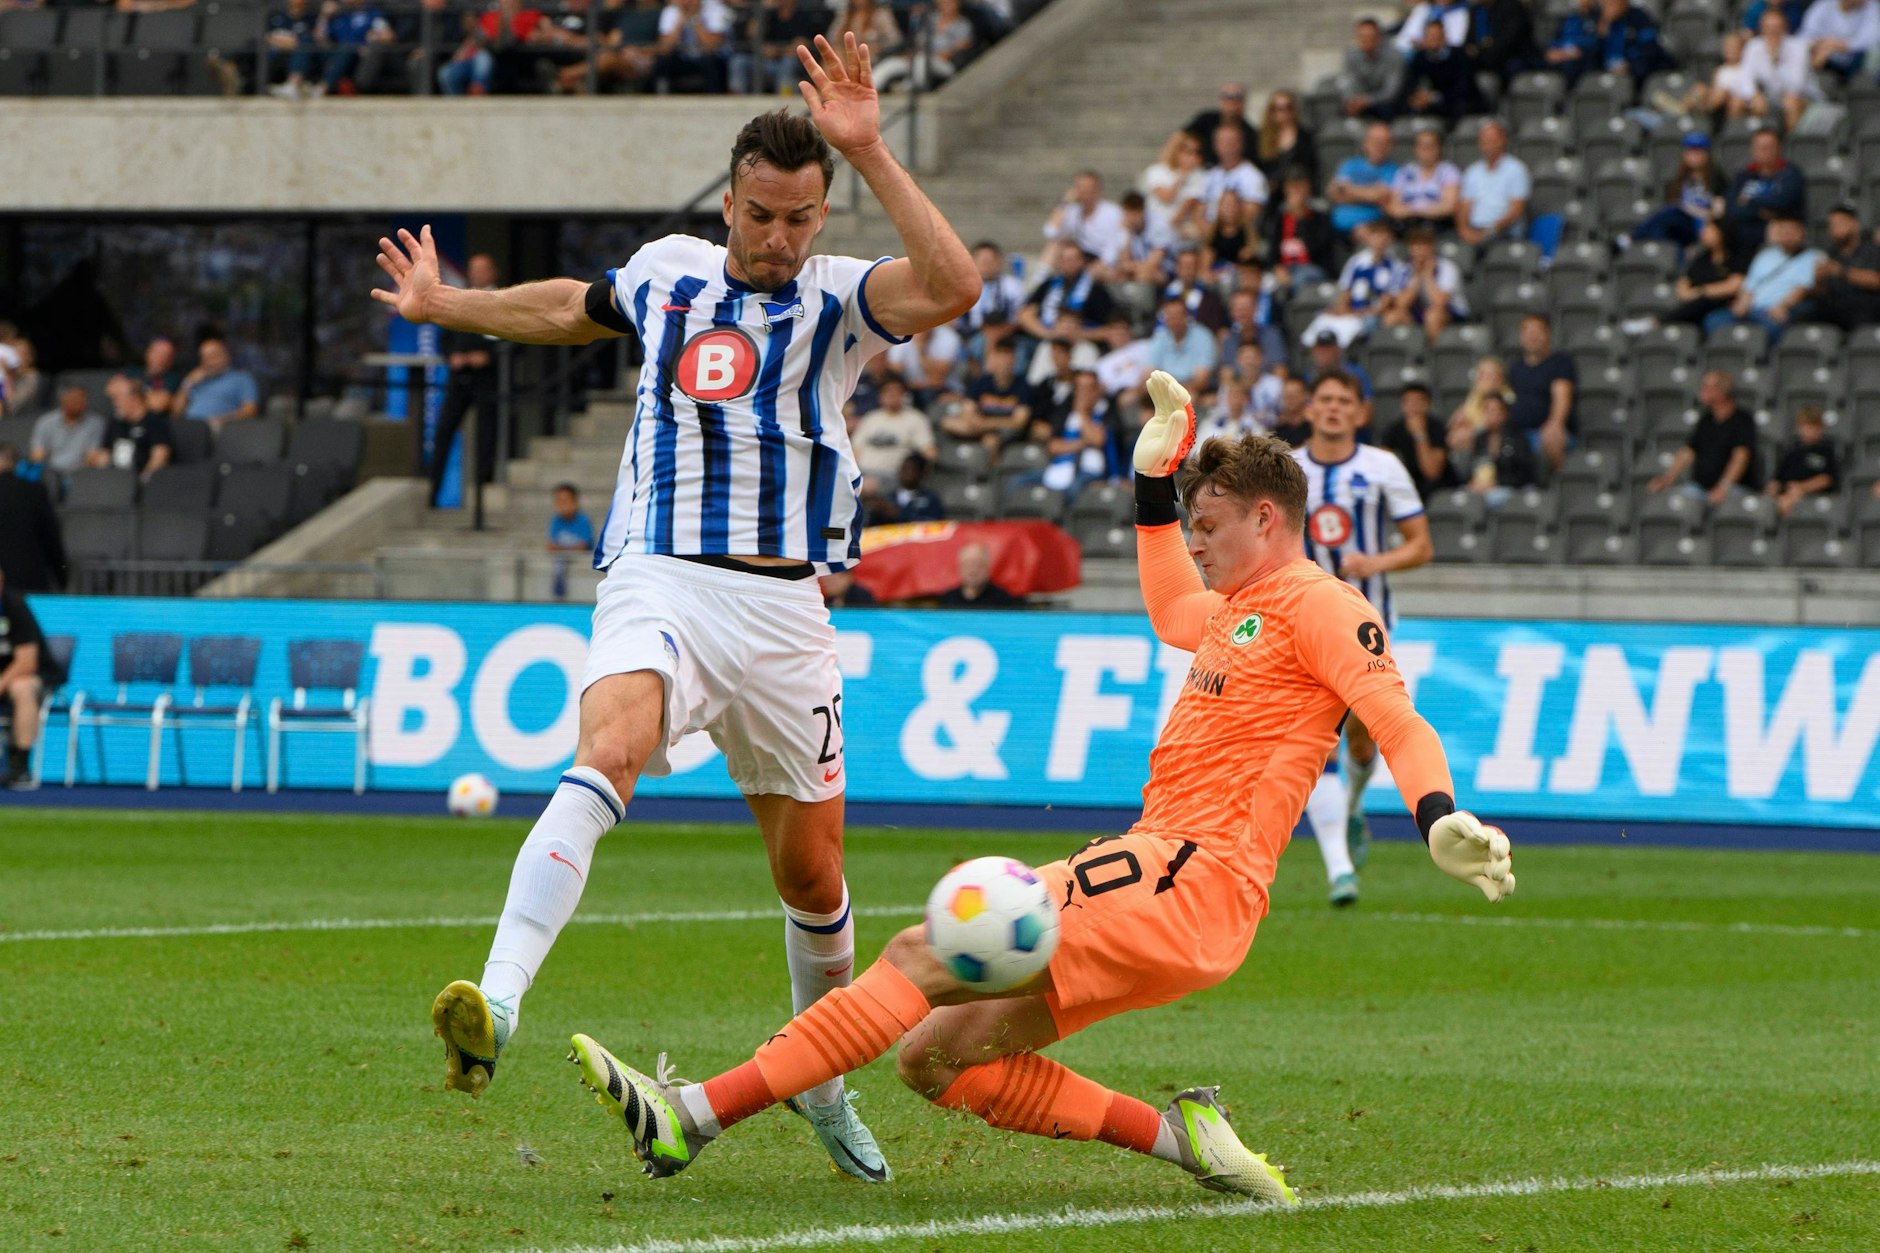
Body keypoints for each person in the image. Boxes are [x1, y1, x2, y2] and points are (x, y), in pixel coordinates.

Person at [560, 374, 1512, 1196]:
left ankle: (693, 1114)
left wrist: (1437, 815)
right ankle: (1183, 1137)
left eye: (1209, 524)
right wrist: (1149, 481)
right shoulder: (1238, 609)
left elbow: (1397, 719)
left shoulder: (1324, 605)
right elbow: (1173, 603)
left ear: (1269, 518)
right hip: (1173, 886)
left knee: (922, 947)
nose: (1198, 542)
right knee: (932, 1057)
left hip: (1192, 874)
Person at [376, 36, 981, 1184]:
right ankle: (495, 1001)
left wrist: (872, 148)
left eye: (802, 218)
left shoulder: (843, 299)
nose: (780, 239)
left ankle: (823, 1078)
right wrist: (444, 302)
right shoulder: (666, 273)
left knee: (811, 878)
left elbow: (953, 287)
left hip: (786, 606)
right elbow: (571, 307)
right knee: (613, 740)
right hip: (657, 570)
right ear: (730, 201)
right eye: (762, 215)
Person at [1291, 369, 1433, 902]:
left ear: (1359, 412)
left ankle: (1349, 809)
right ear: (1309, 409)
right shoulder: (1288, 469)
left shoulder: (1382, 468)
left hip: (1369, 627)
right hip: (1299, 625)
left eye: (1342, 401)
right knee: (1311, 740)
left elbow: (1421, 545)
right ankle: (1338, 869)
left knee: (1360, 737)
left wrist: (1376, 559)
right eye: (1323, 399)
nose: (1332, 408)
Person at [428, 254, 503, 509]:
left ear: (494, 273)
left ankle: (482, 494)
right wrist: (452, 357)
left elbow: (517, 341)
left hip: (489, 381)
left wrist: (489, 357)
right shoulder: (458, 300)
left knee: (487, 434)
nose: (478, 275)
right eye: (474, 270)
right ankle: (431, 493)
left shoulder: (505, 300)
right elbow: (445, 337)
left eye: (483, 270)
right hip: (458, 379)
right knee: (444, 431)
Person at [1704, 214, 1821, 342]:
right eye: (1784, 230)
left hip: (1777, 311)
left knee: (1769, 329)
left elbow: (1803, 288)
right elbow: (1750, 286)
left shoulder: (1815, 258)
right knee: (1713, 321)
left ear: (1803, 233)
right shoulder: (1764, 255)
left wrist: (1783, 306)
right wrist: (1743, 303)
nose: (1788, 234)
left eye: (1793, 230)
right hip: (1751, 309)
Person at [1649, 369, 1759, 504]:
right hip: (1701, 488)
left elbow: (1741, 456)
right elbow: (1688, 452)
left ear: (1722, 391)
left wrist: (1724, 487)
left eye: (1707, 387)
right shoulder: (1706, 420)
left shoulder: (1742, 420)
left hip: (1734, 488)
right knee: (1676, 500)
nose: (1702, 391)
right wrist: (1667, 479)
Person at [1300, 218, 1409, 350]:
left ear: (1390, 240)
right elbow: (1345, 292)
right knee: (1324, 318)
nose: (1380, 242)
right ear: (1369, 238)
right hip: (1352, 311)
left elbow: (1386, 302)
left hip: (1371, 315)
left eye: (1385, 238)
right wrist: (1342, 309)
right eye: (1377, 237)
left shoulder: (1396, 267)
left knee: (1363, 325)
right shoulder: (1355, 262)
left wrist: (1361, 313)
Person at [1628, 133, 1725, 252]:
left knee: (1671, 212)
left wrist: (1692, 210)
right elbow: (1670, 202)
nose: (1694, 156)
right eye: (1690, 152)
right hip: (1680, 226)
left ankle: (1630, 239)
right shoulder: (1679, 180)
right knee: (1660, 231)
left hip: (1702, 226)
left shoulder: (1718, 179)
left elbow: (1719, 212)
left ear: (1707, 154)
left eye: (1698, 152)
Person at [1792, 202, 1880, 332]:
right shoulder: (1830, 253)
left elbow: (1876, 281)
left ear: (1855, 224)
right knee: (1803, 315)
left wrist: (1841, 271)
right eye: (1832, 224)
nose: (1835, 228)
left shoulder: (1872, 250)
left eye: (1841, 223)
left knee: (1863, 315)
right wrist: (1818, 279)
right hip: (1836, 304)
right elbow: (1823, 291)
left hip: (1866, 303)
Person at [1721, 128, 1804, 264]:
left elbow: (1782, 203)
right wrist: (1761, 211)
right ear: (1752, 149)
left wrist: (1748, 201)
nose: (1764, 151)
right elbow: (1731, 207)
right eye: (1760, 147)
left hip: (1781, 232)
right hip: (1747, 231)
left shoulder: (1790, 174)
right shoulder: (1744, 175)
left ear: (1779, 149)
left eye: (1769, 147)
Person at [0, 562, 49, 790]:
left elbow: (26, 662)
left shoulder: (14, 606)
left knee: (22, 687)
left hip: (28, 676)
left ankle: (20, 768)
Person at [1546, 0, 1671, 88]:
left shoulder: (1639, 17)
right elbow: (1590, 54)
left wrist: (1630, 67)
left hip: (1633, 76)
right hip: (1602, 74)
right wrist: (1605, 23)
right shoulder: (1596, 19)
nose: (1612, 3)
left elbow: (1650, 50)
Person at [1507, 315, 1576, 473]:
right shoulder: (1515, 368)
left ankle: (1552, 491)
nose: (1532, 336)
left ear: (1548, 334)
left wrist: (1555, 423)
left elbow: (1562, 396)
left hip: (1546, 430)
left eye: (1537, 331)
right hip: (1517, 433)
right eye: (1527, 331)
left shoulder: (1559, 362)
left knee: (1552, 439)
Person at [851, 373, 937, 494]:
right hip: (864, 473)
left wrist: (913, 476)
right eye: (887, 392)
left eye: (896, 392)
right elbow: (855, 450)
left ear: (904, 395)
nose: (892, 395)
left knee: (866, 488)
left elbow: (929, 453)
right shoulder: (870, 418)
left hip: (895, 477)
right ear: (880, 396)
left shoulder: (916, 419)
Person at [944, 339, 1031, 456]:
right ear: (994, 358)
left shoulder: (1022, 385)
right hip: (980, 427)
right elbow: (967, 409)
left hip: (1005, 430)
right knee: (949, 423)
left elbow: (1019, 421)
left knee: (990, 441)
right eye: (1000, 356)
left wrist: (987, 423)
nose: (1004, 361)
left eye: (1008, 356)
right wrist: (973, 419)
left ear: (1014, 359)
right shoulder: (983, 382)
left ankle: (991, 472)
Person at [1380, 226, 1467, 340]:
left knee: (1433, 315)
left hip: (1451, 313)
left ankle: (1435, 354)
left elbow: (1440, 302)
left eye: (1423, 246)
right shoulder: (1404, 268)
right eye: (1415, 246)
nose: (1419, 251)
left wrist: (1428, 276)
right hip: (1419, 312)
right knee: (1392, 317)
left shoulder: (1447, 267)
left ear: (1432, 247)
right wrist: (1417, 276)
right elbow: (1401, 303)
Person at [0, 443, 65, 593]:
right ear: (16, 464)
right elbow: (51, 537)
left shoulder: (35, 491)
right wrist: (62, 578)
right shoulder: (35, 491)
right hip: (30, 582)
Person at [1394, 18, 1488, 120]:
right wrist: (1417, 97)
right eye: (1430, 36)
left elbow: (1464, 88)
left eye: (1437, 36)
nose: (1434, 40)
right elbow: (1409, 84)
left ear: (1444, 37)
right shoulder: (1419, 58)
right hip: (1426, 109)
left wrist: (1434, 98)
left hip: (1457, 108)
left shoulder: (1459, 56)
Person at [1741, 8, 1816, 132]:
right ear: (1762, 29)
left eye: (1776, 28)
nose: (1772, 32)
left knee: (1790, 103)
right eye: (1768, 28)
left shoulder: (1799, 47)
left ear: (1785, 29)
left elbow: (1797, 86)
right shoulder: (1753, 46)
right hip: (1769, 98)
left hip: (1804, 98)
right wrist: (1753, 95)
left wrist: (1776, 61)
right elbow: (1745, 78)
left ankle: (1791, 145)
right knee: (1740, 102)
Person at [1456, 119, 1528, 249]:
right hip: (1475, 228)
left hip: (1503, 230)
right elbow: (1464, 206)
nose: (1488, 145)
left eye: (1493, 140)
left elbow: (1517, 209)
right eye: (1485, 141)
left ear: (1503, 140)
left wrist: (1490, 231)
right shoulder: (1472, 171)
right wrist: (1464, 230)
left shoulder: (1516, 169)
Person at [1379, 378, 1456, 498]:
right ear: (1403, 405)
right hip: (1407, 483)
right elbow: (1383, 465)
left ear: (1428, 404)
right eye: (1409, 402)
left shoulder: (1437, 428)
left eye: (1418, 401)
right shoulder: (1393, 430)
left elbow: (1432, 473)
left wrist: (1420, 435)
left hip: (1440, 487)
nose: (1414, 406)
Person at [1261, 167, 1336, 291]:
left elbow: (1317, 248)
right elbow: (1273, 250)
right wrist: (1277, 268)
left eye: (1300, 187)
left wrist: (1300, 218)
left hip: (1312, 267)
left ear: (1308, 188)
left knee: (1301, 278)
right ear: (1286, 190)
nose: (1297, 192)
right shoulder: (1280, 218)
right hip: (1285, 268)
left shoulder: (1320, 217)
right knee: (1265, 283)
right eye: (1293, 187)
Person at [86, 377, 173, 480]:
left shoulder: (154, 422)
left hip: (141, 480)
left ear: (134, 398)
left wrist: (143, 480)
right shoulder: (115, 423)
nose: (115, 404)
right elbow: (104, 452)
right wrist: (95, 458)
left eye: (117, 399)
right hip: (113, 478)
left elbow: (160, 457)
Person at [1458, 392, 1536, 503]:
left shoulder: (1518, 438)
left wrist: (1496, 483)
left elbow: (1523, 474)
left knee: (1491, 499)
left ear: (1505, 413)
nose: (1492, 415)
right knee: (1459, 498)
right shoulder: (1480, 438)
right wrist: (1473, 482)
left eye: (1495, 410)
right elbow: (1474, 465)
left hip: (1510, 489)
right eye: (1487, 410)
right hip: (1482, 487)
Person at [955, 240, 1028, 360]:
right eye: (982, 261)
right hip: (970, 334)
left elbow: (1021, 315)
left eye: (990, 261)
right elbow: (954, 320)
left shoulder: (1013, 286)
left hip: (1006, 333)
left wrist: (1000, 331)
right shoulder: (962, 287)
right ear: (973, 262)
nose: (986, 265)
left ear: (999, 262)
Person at [1043, 171, 1129, 271]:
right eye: (1080, 187)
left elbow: (1118, 242)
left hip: (1105, 260)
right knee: (1054, 246)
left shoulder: (1112, 212)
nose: (1084, 191)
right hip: (1083, 256)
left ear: (1097, 190)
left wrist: (1103, 262)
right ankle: (1039, 283)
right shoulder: (1074, 211)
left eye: (1088, 188)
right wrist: (1065, 203)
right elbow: (1051, 232)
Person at [1764, 406, 1840, 517]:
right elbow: (1778, 479)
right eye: (1806, 427)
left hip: (1812, 496)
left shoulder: (1826, 451)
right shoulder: (1792, 451)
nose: (1809, 431)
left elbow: (1827, 479)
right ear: (1799, 428)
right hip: (1787, 492)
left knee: (1788, 500)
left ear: (1820, 428)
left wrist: (1803, 487)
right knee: (1765, 502)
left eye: (1813, 427)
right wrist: (1772, 489)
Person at [1327, 122, 1398, 238]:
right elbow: (1334, 192)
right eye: (1375, 141)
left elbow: (1381, 195)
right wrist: (1369, 194)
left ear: (1390, 146)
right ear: (1366, 143)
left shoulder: (1393, 170)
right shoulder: (1349, 164)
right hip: (1335, 227)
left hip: (1372, 228)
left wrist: (1348, 190)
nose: (1379, 146)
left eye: (1384, 142)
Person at [1386, 127, 1462, 232]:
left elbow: (1449, 206)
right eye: (1421, 146)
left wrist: (1415, 211)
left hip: (1437, 225)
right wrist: (1418, 211)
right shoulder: (1404, 172)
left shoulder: (1448, 171)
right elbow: (1394, 207)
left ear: (1438, 148)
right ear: (1415, 149)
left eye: (1430, 146)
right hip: (1407, 225)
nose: (1426, 150)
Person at [1141, 132, 1209, 247]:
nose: (1193, 157)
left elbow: (1188, 205)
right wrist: (1182, 176)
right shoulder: (1156, 171)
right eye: (1188, 152)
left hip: (1178, 232)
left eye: (1197, 153)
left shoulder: (1200, 177)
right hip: (1153, 226)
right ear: (1178, 151)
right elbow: (1167, 197)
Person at [177, 338, 260, 432]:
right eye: (205, 357)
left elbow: (250, 411)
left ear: (226, 355)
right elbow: (176, 412)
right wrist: (188, 383)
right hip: (187, 428)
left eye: (214, 356)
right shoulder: (195, 381)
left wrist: (221, 421)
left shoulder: (242, 378)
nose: (209, 361)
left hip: (219, 430)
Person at [29, 386, 107, 477]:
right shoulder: (46, 421)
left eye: (83, 399)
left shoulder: (95, 423)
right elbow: (37, 455)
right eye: (74, 399)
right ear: (63, 400)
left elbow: (91, 456)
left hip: (81, 474)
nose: (80, 403)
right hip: (51, 473)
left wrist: (77, 475)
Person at [1800, 0, 1880, 84]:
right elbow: (1806, 33)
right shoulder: (1823, 5)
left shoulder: (1871, 7)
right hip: (1820, 50)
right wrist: (1824, 44)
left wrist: (1837, 45)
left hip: (1855, 56)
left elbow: (1871, 39)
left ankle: (1806, 83)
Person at [1337, 17, 1403, 118]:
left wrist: (1367, 100)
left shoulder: (1394, 56)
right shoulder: (1351, 56)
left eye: (1370, 36)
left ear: (1379, 37)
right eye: (1362, 36)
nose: (1366, 40)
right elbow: (1346, 82)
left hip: (1385, 106)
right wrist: (1353, 100)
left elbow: (1391, 91)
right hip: (1358, 104)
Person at [1203, 125, 1269, 224]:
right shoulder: (1209, 175)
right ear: (1215, 145)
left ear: (1241, 144)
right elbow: (1199, 210)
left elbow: (1251, 212)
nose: (1227, 145)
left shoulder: (1253, 177)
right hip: (1209, 236)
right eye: (1223, 141)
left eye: (1232, 141)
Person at [1183, 82, 1258, 169]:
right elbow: (1178, 139)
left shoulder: (1252, 134)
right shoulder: (1205, 121)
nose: (1232, 101)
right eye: (1227, 97)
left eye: (1238, 97)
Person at [1445, 354, 1513, 448]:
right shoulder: (1473, 399)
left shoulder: (1508, 398)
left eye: (1495, 375)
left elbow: (1497, 424)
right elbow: (1453, 425)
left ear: (1502, 378)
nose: (1491, 380)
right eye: (1485, 375)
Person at [1253, 89, 1317, 188]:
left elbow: (1311, 166)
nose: (1283, 112)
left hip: (1297, 188)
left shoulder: (1305, 136)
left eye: (1288, 107)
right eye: (1277, 108)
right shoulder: (1261, 137)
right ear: (1271, 111)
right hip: (1271, 192)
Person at [937, 539, 1019, 606]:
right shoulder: (948, 600)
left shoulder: (1003, 601)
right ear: (960, 567)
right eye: (968, 564)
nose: (973, 570)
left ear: (987, 567)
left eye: (978, 564)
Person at [132, 336, 183, 417]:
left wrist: (131, 393)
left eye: (166, 355)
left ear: (172, 361)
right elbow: (112, 389)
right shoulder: (132, 371)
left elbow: (158, 405)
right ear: (147, 353)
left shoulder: (174, 379)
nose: (161, 358)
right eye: (157, 353)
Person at [547, 482, 594, 552]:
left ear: (575, 502)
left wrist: (560, 549)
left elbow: (583, 546)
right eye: (558, 501)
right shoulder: (556, 521)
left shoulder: (583, 521)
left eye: (565, 501)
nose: (561, 505)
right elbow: (551, 546)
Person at [1270, 374, 1312, 446]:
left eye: (1295, 394)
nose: (1291, 399)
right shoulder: (1277, 430)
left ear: (1305, 395)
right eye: (1287, 395)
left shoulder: (1314, 428)